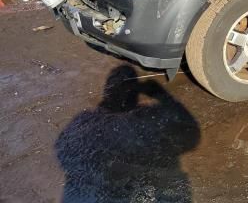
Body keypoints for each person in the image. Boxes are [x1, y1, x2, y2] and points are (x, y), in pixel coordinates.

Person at [55, 65, 200, 202]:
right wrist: (162, 95)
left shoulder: (86, 119)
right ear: (135, 92)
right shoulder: (144, 117)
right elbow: (191, 134)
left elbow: (62, 149)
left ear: (108, 90)